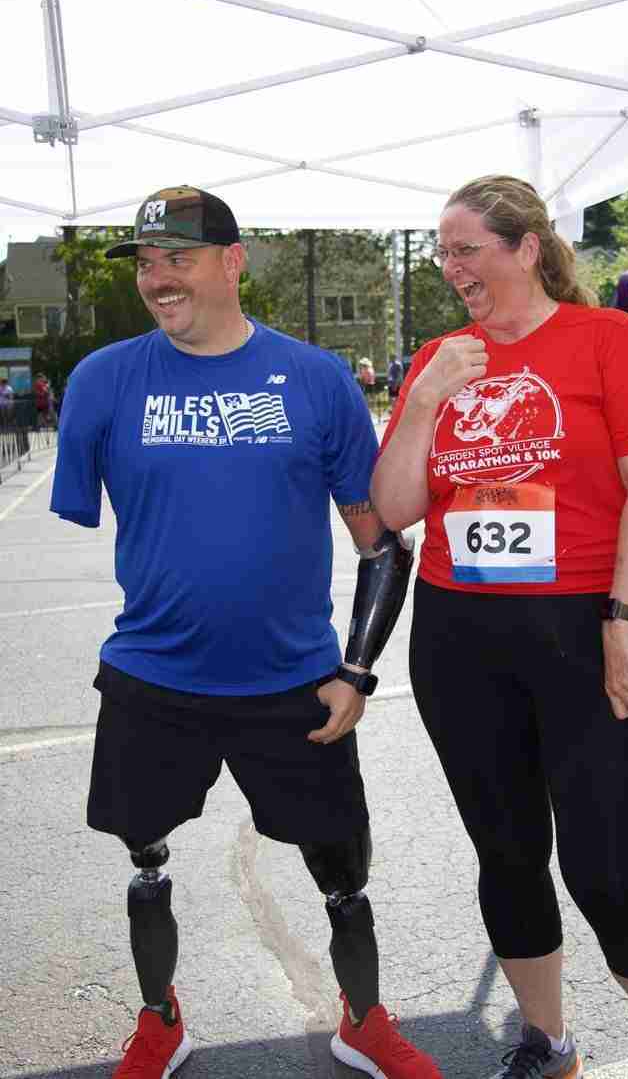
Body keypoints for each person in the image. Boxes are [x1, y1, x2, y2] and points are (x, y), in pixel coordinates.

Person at [50, 185, 442, 1079]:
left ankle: (364, 1022)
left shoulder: (314, 378)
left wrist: (358, 670)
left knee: (343, 875)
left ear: (233, 262)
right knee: (145, 862)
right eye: (147, 262)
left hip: (294, 683)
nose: (159, 278)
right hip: (153, 679)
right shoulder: (104, 380)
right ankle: (160, 1022)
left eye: (179, 259)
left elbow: (382, 545)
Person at [371, 175, 628, 1079]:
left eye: (466, 249)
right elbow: (393, 507)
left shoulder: (607, 338)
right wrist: (427, 397)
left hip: (602, 623)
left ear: (525, 248)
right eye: (442, 253)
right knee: (508, 854)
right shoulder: (441, 357)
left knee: (611, 867)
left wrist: (622, 621)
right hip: (462, 635)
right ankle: (547, 1041)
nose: (451, 268)